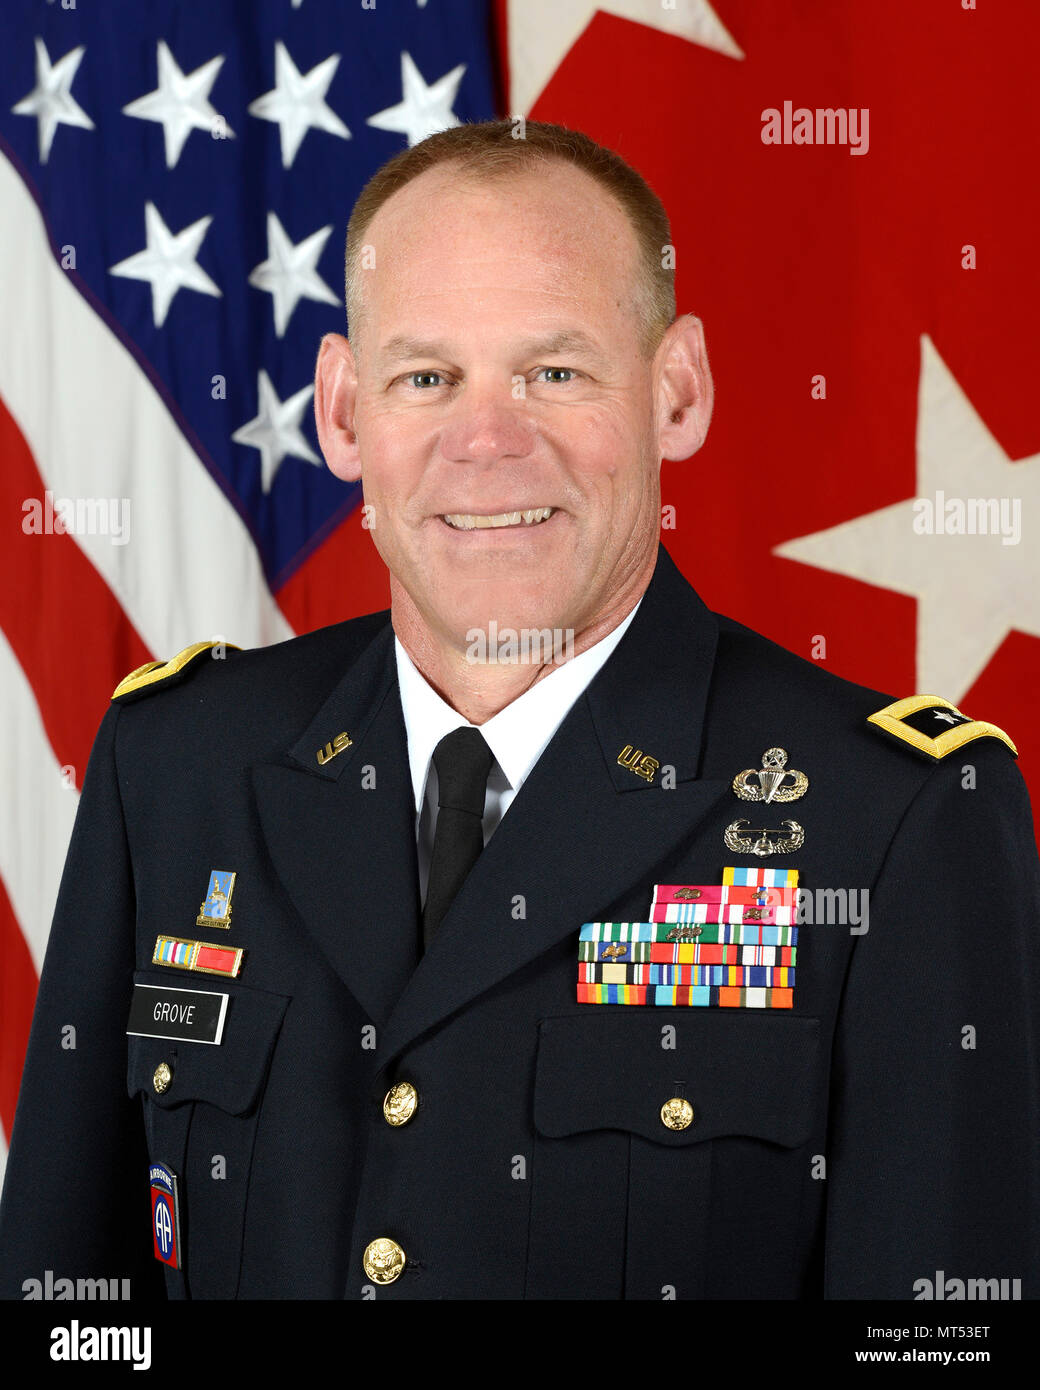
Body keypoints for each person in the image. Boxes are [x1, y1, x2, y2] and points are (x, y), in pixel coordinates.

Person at [1, 119, 1037, 1302]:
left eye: (553, 372)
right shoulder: (177, 763)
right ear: (344, 414)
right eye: (425, 377)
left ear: (676, 392)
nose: (485, 443)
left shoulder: (893, 818)